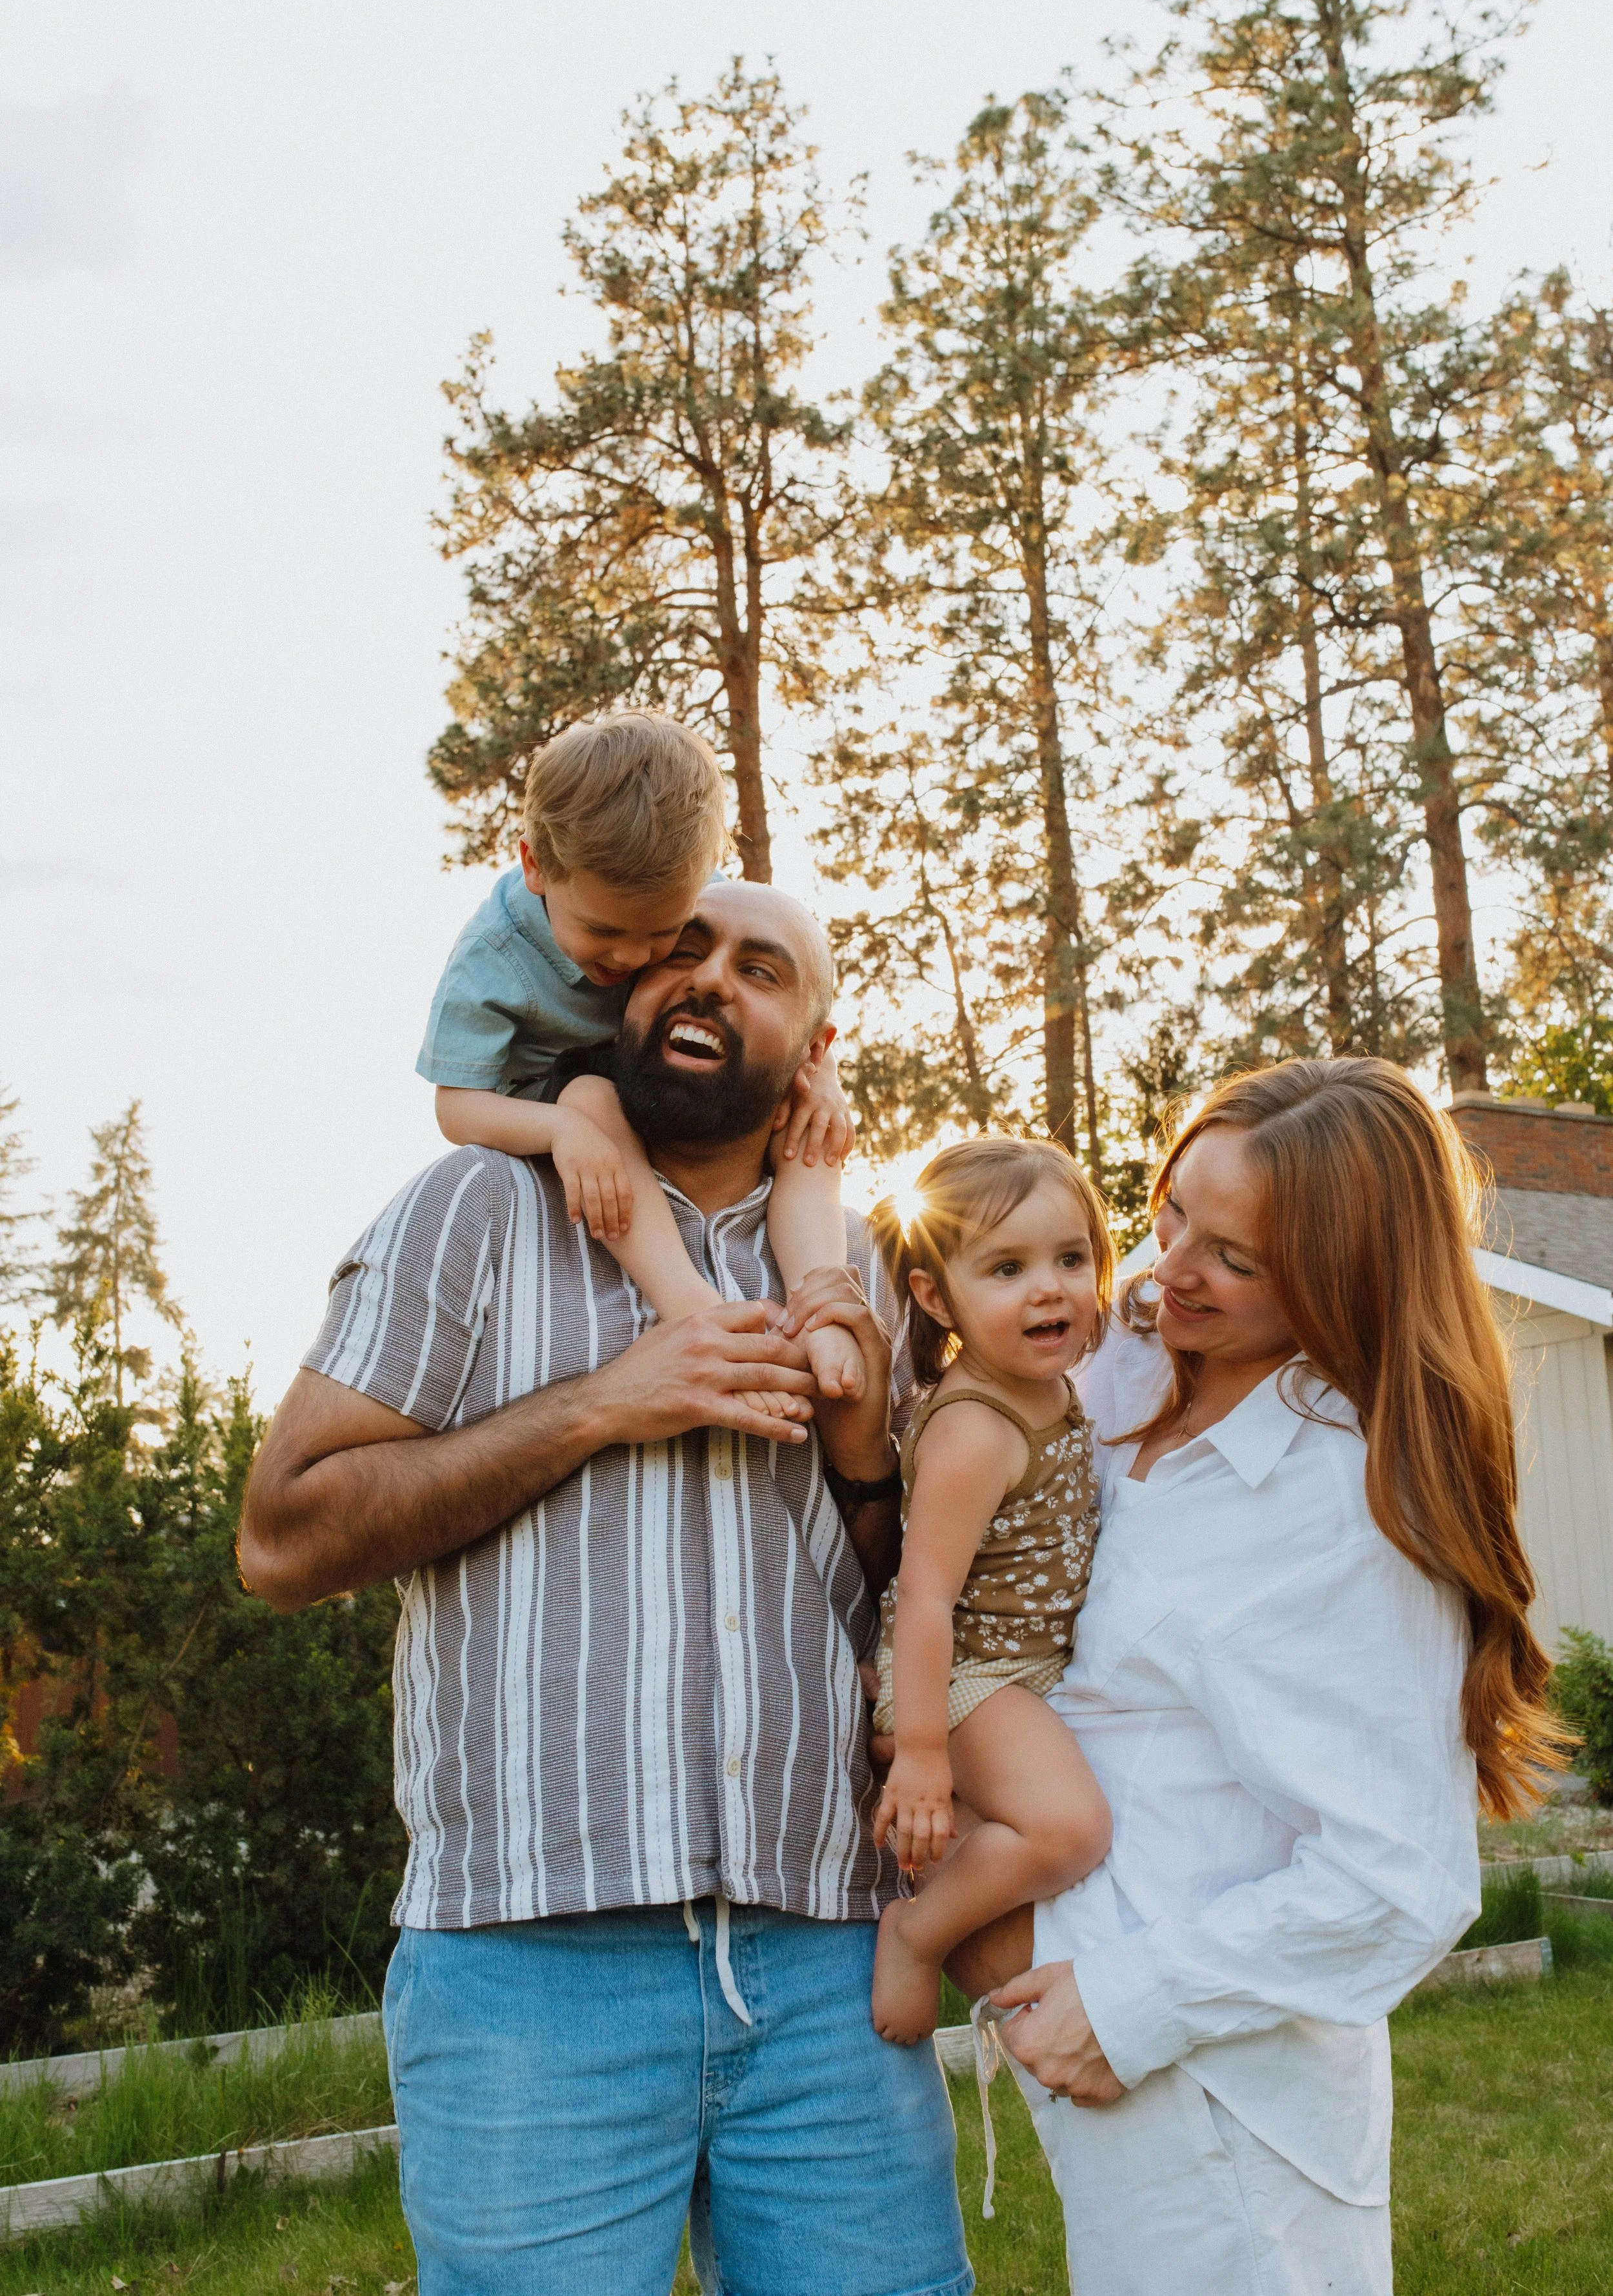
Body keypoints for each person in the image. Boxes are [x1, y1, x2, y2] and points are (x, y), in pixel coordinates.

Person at [238, 878, 972, 2296]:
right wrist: (599, 1404)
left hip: (826, 1956)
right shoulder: (474, 1211)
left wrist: (867, 1458)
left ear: (815, 1042)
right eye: (681, 951)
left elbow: (900, 1587)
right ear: (614, 995)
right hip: (530, 1976)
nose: (710, 981)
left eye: (762, 969)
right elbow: (283, 1536)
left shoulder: (869, 1267)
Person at [947, 1058, 1565, 2296]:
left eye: (1234, 1257)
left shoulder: (1340, 1500)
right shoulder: (1125, 1359)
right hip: (1109, 2077)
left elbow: (1403, 1877)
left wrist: (1130, 2004)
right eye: (1172, 1211)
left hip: (1222, 2107)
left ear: (1343, 1280)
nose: (1167, 1268)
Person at [418, 710, 863, 1401]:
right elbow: (453, 1106)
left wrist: (822, 1075)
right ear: (535, 865)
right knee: (591, 1102)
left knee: (805, 1120)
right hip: (550, 1107)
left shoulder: (680, 873)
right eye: (602, 931)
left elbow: (785, 979)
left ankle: (822, 1308)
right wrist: (561, 1131)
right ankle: (690, 1303)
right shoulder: (490, 961)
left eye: (662, 935)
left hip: (649, 1072)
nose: (629, 958)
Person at [863, 1138, 1114, 2043]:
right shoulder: (977, 1425)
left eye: (1071, 1258)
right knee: (1068, 1829)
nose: (1049, 1288)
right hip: (961, 1669)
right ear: (936, 1295)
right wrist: (924, 1752)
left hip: (1016, 1669)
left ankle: (959, 1846)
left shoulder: (1044, 1377)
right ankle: (917, 1933)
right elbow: (926, 1597)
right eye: (1007, 1268)